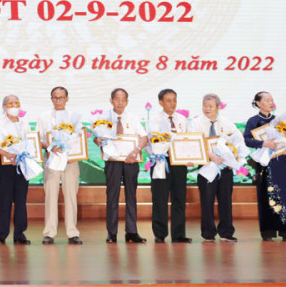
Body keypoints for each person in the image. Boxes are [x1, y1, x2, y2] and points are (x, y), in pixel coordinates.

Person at [243, 91, 286, 241]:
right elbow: (247, 140)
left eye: (271, 100)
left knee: (285, 195)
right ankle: (268, 231)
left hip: (281, 161)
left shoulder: (279, 121)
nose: (270, 103)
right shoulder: (253, 121)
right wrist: (263, 143)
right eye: (267, 100)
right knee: (266, 194)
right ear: (258, 103)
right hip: (264, 163)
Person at [96, 88, 147, 244]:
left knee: (131, 195)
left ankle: (131, 232)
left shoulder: (133, 118)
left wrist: (136, 150)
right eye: (117, 99)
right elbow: (97, 138)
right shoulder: (103, 119)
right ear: (111, 100)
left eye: (123, 100)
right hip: (112, 162)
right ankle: (111, 233)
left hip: (131, 161)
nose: (120, 103)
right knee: (112, 196)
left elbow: (144, 138)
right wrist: (96, 140)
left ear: (127, 102)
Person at [189, 93, 237, 243]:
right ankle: (208, 232)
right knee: (207, 200)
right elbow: (193, 143)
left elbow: (237, 141)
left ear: (218, 107)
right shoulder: (195, 123)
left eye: (210, 106)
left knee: (225, 200)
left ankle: (226, 232)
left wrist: (232, 159)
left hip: (224, 167)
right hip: (206, 167)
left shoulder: (226, 122)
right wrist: (210, 155)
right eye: (204, 105)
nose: (207, 108)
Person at [37, 86, 82, 245]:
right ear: (51, 99)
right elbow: (38, 139)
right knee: (50, 195)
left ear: (67, 99)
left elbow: (80, 138)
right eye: (55, 97)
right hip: (52, 160)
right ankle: (49, 233)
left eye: (61, 97)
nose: (58, 100)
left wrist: (74, 153)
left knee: (71, 195)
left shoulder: (75, 117)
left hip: (70, 161)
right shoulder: (43, 117)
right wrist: (49, 147)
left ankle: (72, 232)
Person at [148, 88, 192, 243]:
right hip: (161, 162)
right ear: (161, 102)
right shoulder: (154, 120)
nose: (172, 103)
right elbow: (150, 143)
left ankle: (178, 234)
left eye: (174, 100)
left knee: (179, 199)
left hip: (179, 163)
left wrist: (190, 156)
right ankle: (160, 234)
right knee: (160, 198)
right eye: (168, 100)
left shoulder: (182, 119)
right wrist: (157, 155)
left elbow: (188, 140)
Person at [0, 94, 29, 245]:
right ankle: (1, 235)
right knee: (4, 200)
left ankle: (20, 234)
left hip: (22, 164)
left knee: (21, 200)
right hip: (5, 164)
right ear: (4, 107)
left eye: (16, 103)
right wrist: (7, 154)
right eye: (10, 104)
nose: (14, 106)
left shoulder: (24, 123)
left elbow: (31, 142)